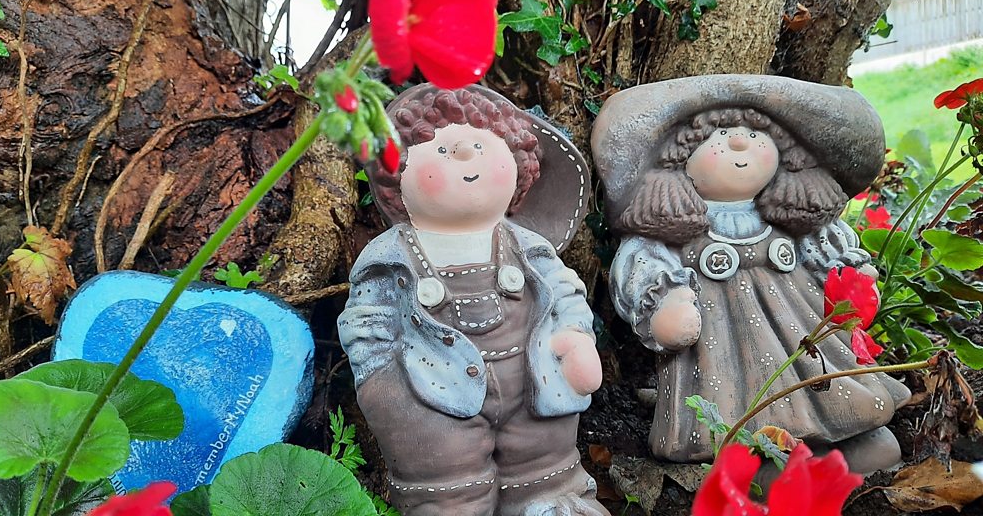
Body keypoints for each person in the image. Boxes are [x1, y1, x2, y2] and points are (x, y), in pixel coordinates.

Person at [592, 75, 911, 473]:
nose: (740, 143)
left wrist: (852, 279)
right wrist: (666, 305)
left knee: (833, 390)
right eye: (719, 134)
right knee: (734, 408)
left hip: (804, 337)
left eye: (757, 134)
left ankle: (850, 430)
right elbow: (644, 263)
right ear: (677, 159)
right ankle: (758, 459)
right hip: (720, 348)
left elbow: (827, 251)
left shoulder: (789, 222)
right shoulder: (676, 233)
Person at [339, 84, 610, 516]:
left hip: (534, 381)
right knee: (446, 482)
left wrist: (575, 336)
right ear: (398, 178)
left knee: (545, 465)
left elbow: (565, 291)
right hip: (433, 392)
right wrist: (381, 385)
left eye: (483, 147)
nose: (467, 155)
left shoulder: (527, 246)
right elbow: (367, 321)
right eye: (442, 150)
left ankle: (551, 499)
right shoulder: (391, 255)